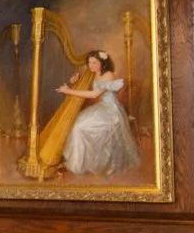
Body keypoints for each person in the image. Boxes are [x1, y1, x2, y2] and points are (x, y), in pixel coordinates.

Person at [55, 49, 139, 177]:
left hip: (111, 111)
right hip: (101, 107)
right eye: (89, 62)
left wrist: (69, 91)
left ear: (103, 63)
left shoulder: (109, 75)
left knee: (81, 127)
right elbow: (85, 87)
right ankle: (79, 162)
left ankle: (88, 163)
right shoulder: (92, 73)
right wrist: (75, 82)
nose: (91, 66)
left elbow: (94, 94)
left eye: (94, 63)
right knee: (77, 125)